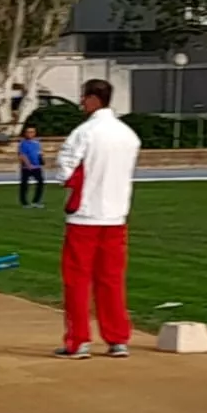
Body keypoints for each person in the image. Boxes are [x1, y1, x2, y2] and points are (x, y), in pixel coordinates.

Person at [55, 78, 140, 359]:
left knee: (77, 280)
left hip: (85, 217)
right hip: (116, 216)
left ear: (92, 99)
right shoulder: (129, 135)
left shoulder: (83, 132)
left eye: (83, 98)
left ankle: (78, 341)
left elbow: (65, 172)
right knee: (112, 279)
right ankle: (117, 339)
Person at [18, 122, 45, 207]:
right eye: (28, 132)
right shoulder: (23, 143)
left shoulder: (37, 143)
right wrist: (28, 165)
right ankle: (24, 202)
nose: (30, 134)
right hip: (27, 167)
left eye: (32, 132)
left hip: (37, 166)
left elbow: (39, 153)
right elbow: (22, 155)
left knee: (40, 183)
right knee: (25, 185)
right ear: (25, 133)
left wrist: (41, 159)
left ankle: (36, 201)